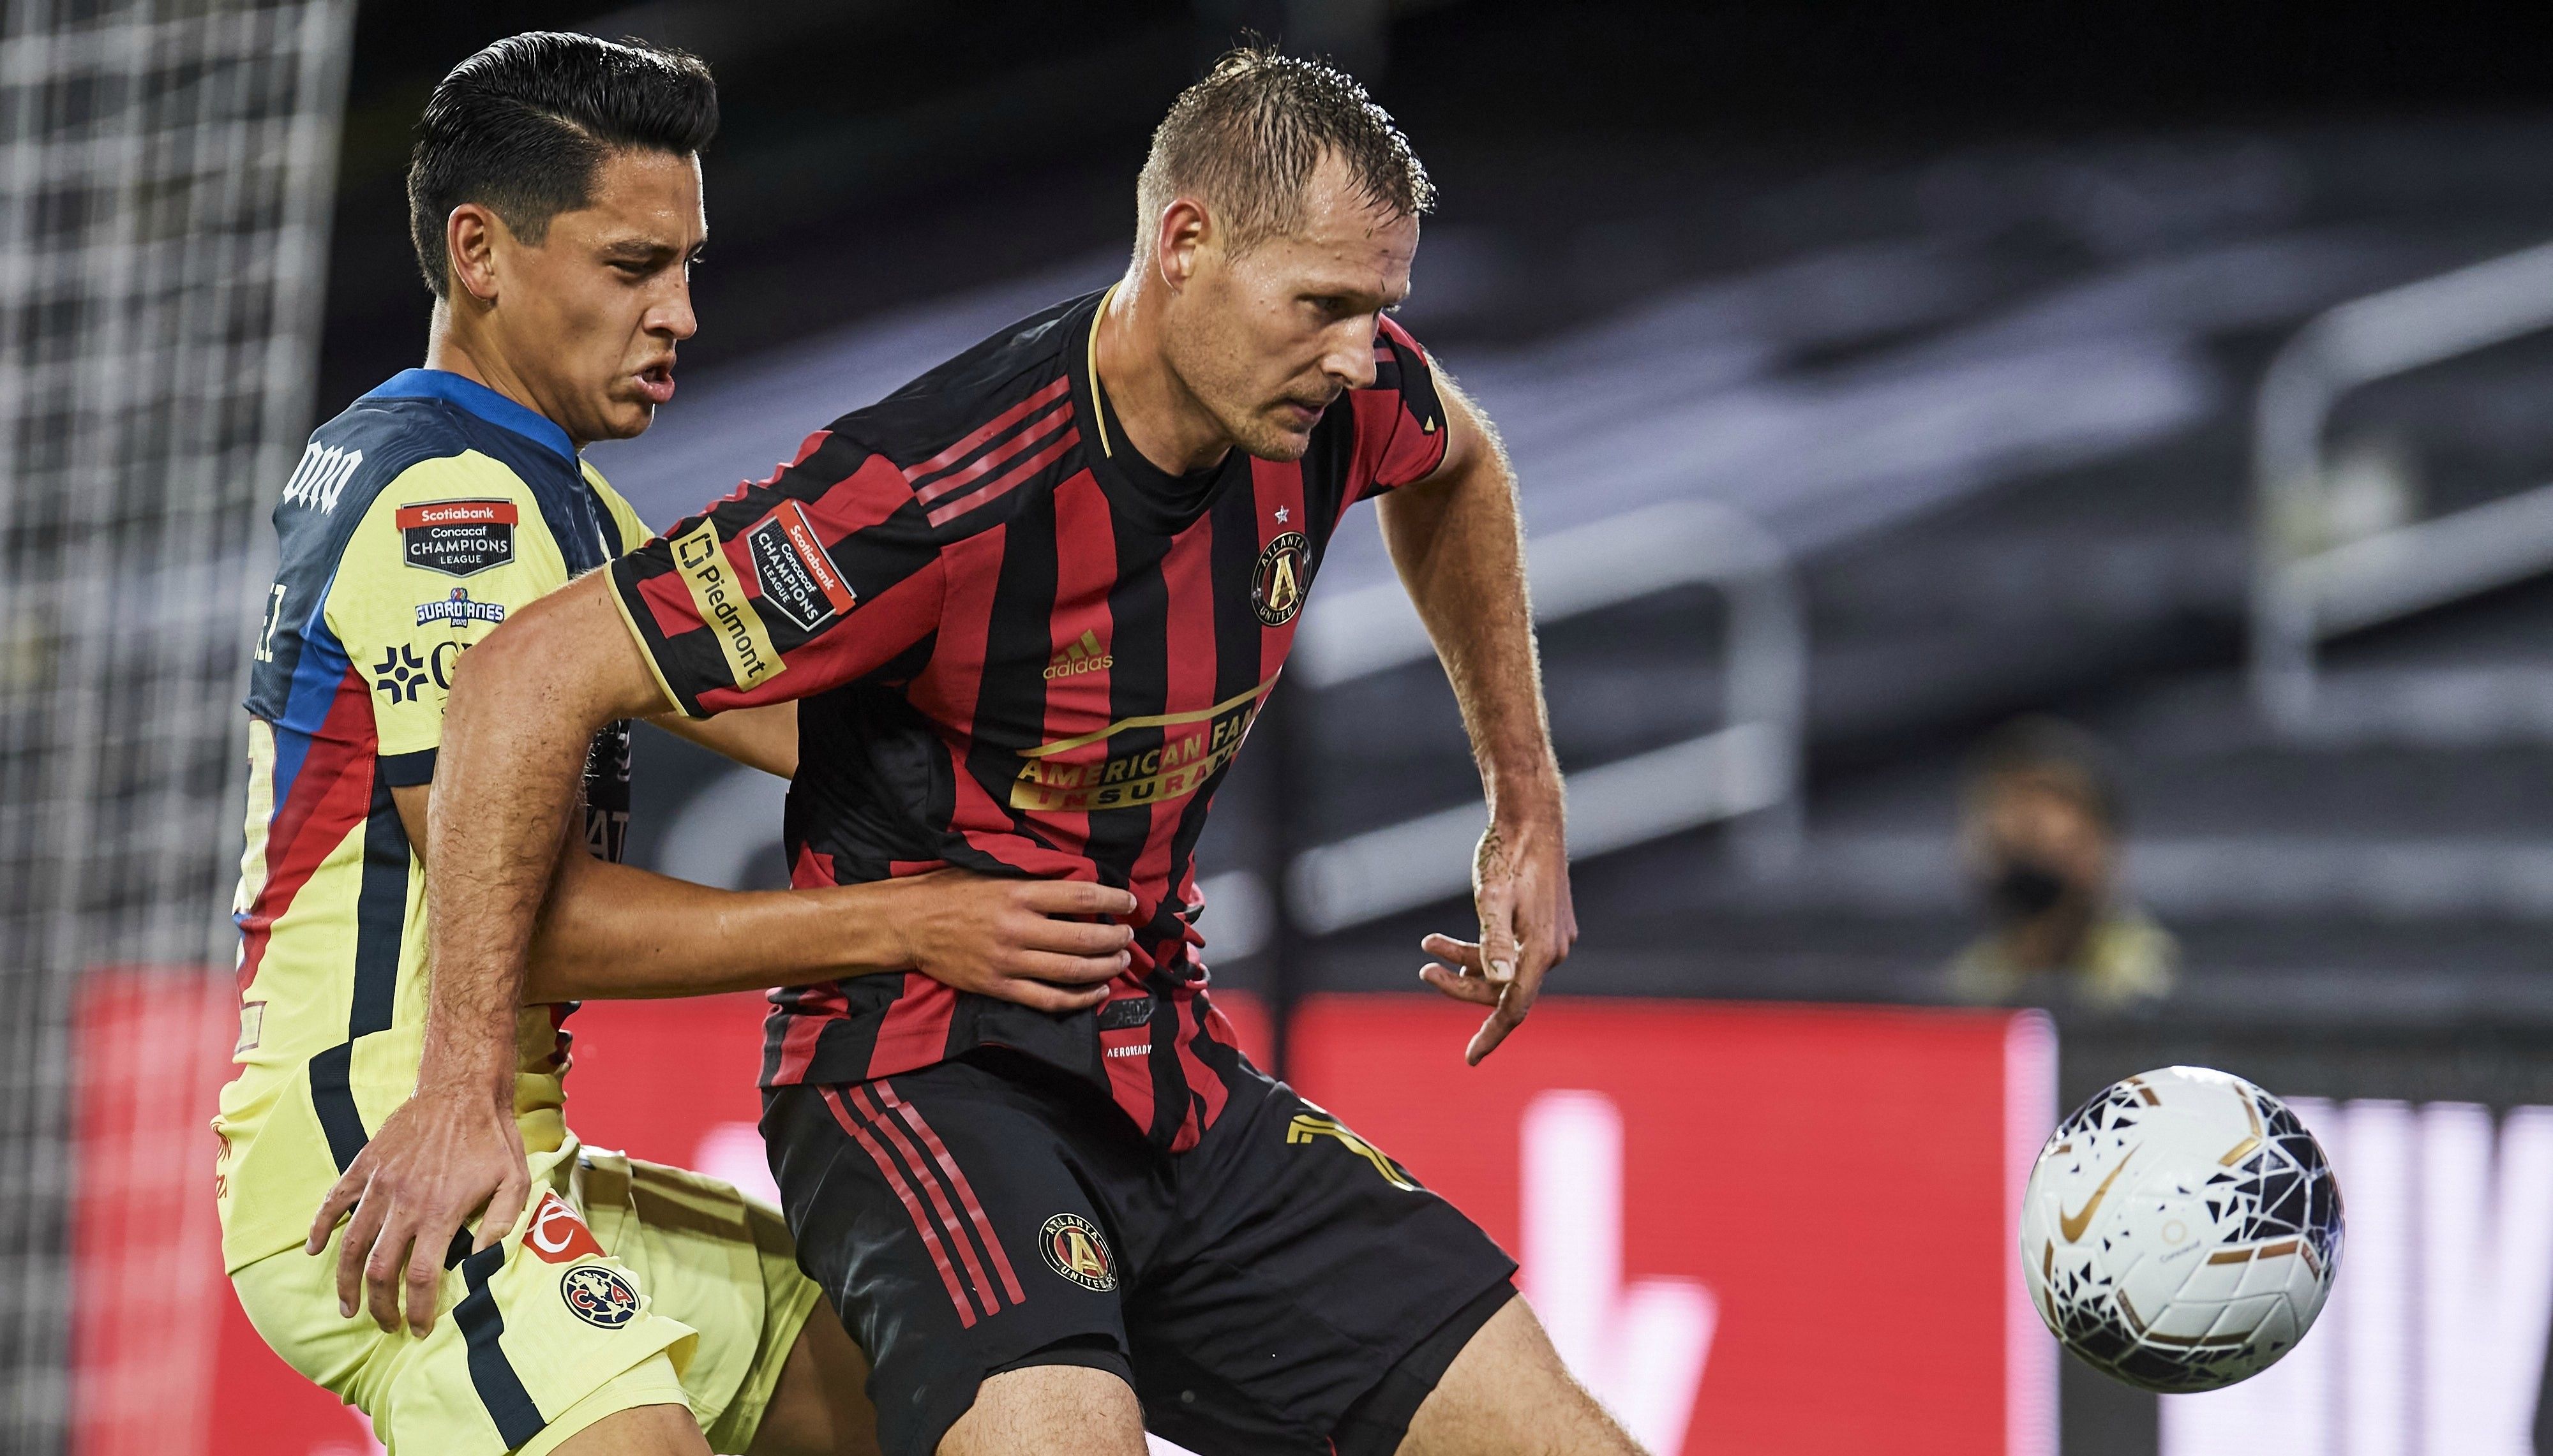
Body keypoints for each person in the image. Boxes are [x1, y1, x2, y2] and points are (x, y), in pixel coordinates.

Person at [394, 47, 1637, 1456]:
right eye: (1325, 307)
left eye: (1380, 311)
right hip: (917, 1081)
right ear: (1183, 244)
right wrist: (461, 1087)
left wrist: (1522, 800)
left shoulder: (1334, 400)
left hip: (1161, 1064)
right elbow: (521, 674)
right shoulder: (923, 493)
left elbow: (1455, 461)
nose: (1360, 355)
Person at [234, 34, 1141, 1456]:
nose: (680, 315)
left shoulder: (559, 503)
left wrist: (1084, 717)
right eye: (629, 267)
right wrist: (910, 923)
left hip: (524, 1154)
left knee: (915, 1386)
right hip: (385, 1153)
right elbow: (533, 925)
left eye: (689, 267)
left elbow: (790, 716)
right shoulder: (446, 510)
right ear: (480, 252)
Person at [1945, 715, 2177, 1013]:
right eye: (2006, 802)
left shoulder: (2143, 977)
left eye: (2051, 802)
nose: (2023, 822)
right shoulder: (1977, 980)